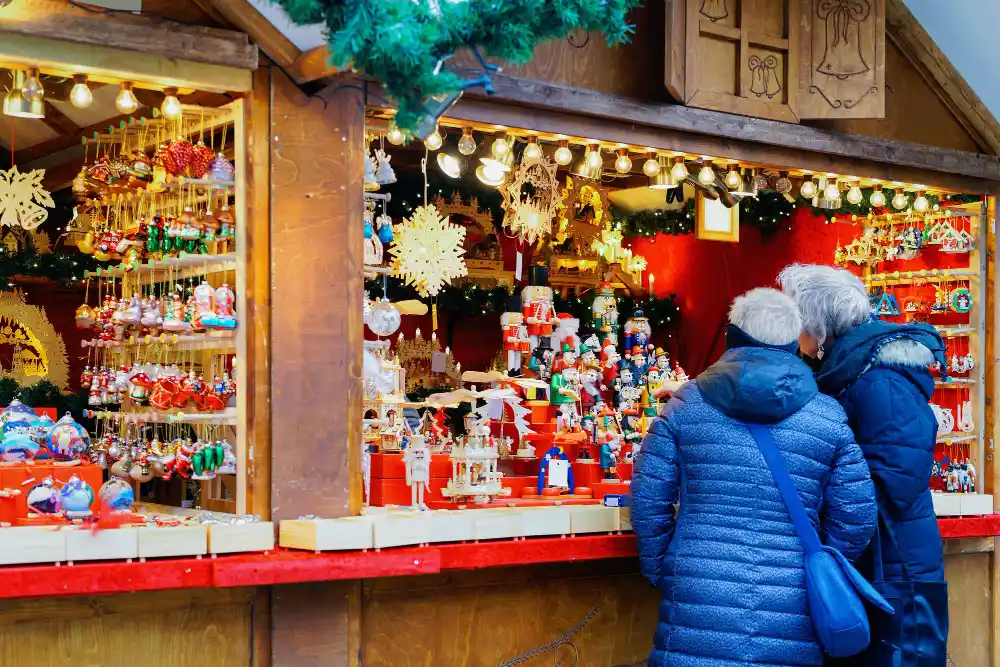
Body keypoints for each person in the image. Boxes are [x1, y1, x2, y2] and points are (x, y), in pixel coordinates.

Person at [631, 288, 876, 667]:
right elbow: (856, 516)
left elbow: (648, 500)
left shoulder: (685, 404)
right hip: (792, 594)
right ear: (793, 342)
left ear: (734, 336)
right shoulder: (827, 416)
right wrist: (819, 569)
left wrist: (665, 566)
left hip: (699, 583)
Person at [779, 263, 948, 666]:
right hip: (880, 568)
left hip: (897, 573)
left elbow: (897, 479)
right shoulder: (852, 371)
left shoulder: (879, 380)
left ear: (817, 324)